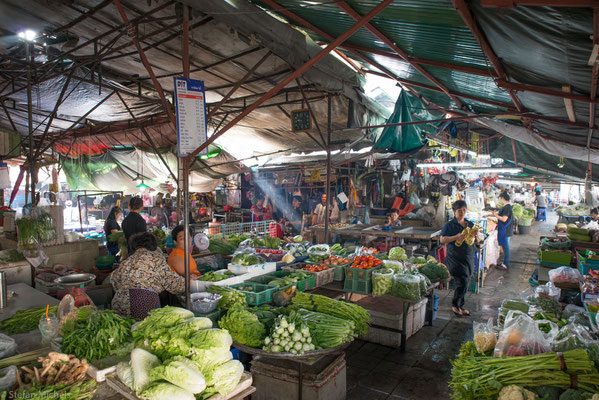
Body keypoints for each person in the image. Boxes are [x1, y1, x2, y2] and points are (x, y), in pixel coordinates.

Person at [111, 232, 186, 317]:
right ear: (153, 246)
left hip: (119, 305)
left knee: (129, 328)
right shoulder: (156, 260)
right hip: (142, 305)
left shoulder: (125, 262)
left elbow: (114, 281)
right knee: (145, 328)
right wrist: (188, 283)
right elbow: (174, 284)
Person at [440, 200, 476, 317]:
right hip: (455, 257)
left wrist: (476, 236)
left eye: (464, 210)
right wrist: (457, 237)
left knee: (467, 280)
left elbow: (477, 239)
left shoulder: (470, 224)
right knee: (463, 281)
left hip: (468, 256)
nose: (462, 213)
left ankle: (461, 305)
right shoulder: (449, 225)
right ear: (454, 211)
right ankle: (455, 305)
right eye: (459, 211)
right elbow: (442, 240)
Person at [491, 192, 513, 271]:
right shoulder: (506, 207)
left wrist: (495, 215)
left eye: (500, 198)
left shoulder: (507, 207)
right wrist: (491, 215)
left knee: (506, 248)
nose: (499, 200)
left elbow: (504, 219)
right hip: (505, 230)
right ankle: (504, 263)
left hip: (505, 230)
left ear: (503, 198)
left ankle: (506, 265)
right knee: (505, 247)